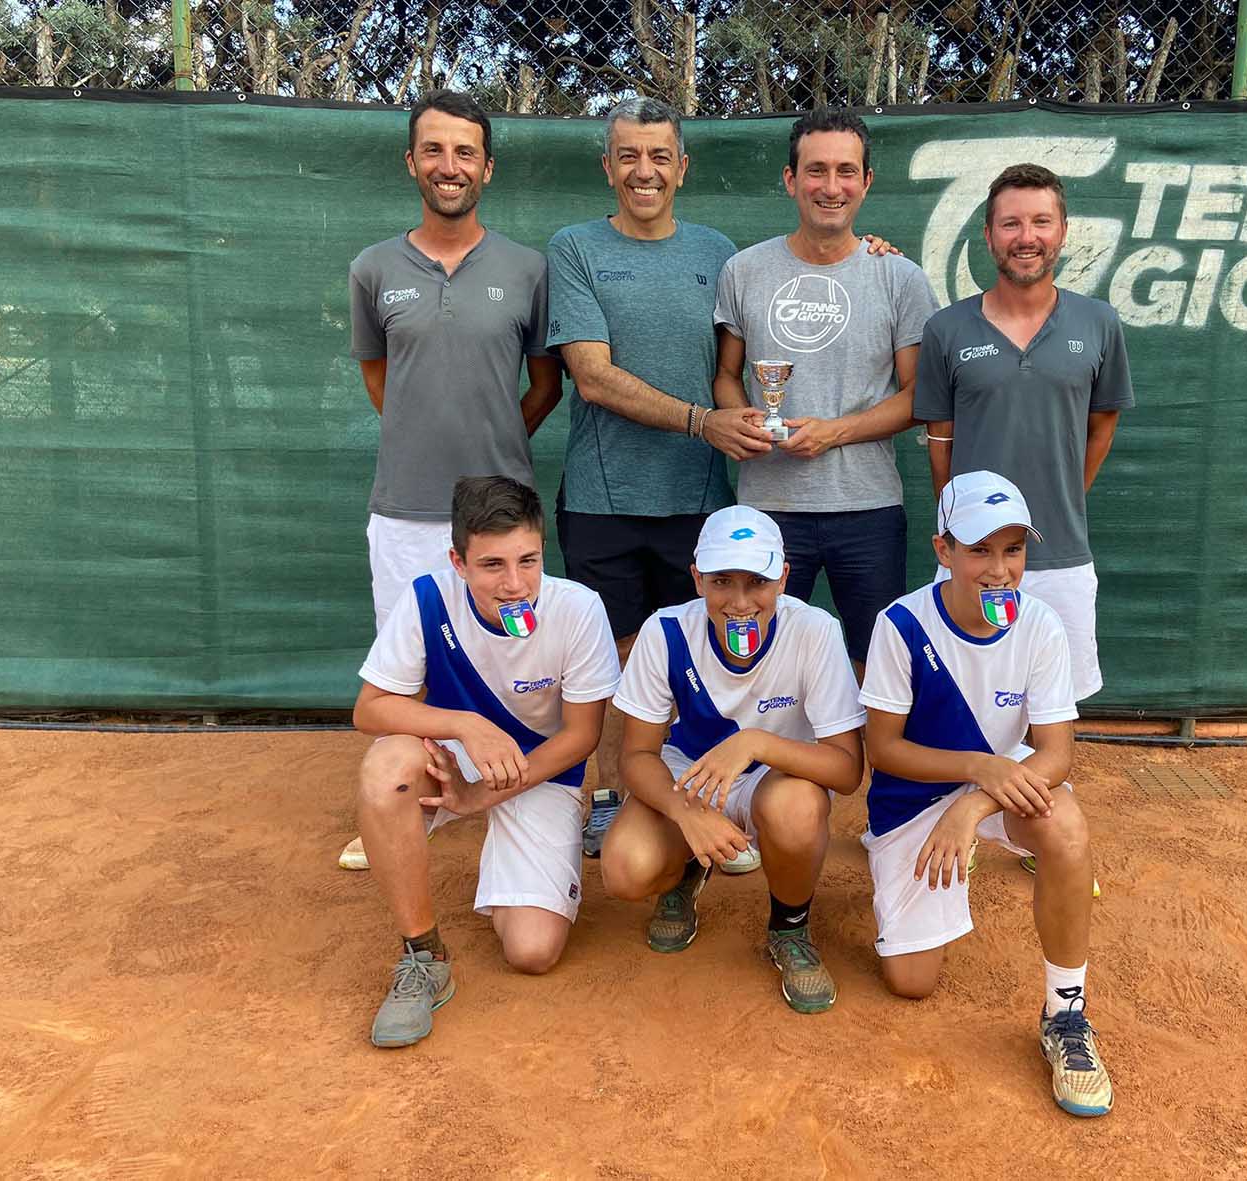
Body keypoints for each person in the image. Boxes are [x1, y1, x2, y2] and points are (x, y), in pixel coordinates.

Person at [543, 96, 771, 871]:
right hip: (602, 499)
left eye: (660, 156)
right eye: (630, 156)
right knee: (613, 657)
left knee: (700, 656)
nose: (645, 171)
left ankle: (706, 799)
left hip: (700, 502)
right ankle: (613, 799)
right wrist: (703, 422)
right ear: (608, 167)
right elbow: (592, 377)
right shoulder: (574, 248)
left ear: (682, 167)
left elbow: (750, 352)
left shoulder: (719, 253)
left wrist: (870, 252)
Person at [342, 89, 563, 871]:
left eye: (465, 151)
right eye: (434, 150)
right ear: (412, 161)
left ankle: (521, 790)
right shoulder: (373, 269)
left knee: (515, 652)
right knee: (408, 665)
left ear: (487, 168)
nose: (450, 165)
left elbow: (545, 385)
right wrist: (426, 437)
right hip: (404, 509)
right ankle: (416, 798)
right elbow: (381, 382)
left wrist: (493, 446)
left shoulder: (528, 269)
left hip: (501, 513)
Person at [859, 471, 1112, 1116]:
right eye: (979, 550)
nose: (999, 570)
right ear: (943, 550)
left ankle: (1065, 1015)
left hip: (993, 786)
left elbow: (1056, 754)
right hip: (916, 796)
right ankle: (897, 859)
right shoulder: (900, 624)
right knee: (911, 983)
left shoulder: (1042, 622)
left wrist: (974, 803)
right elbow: (882, 749)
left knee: (1065, 827)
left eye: (1013, 550)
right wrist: (978, 768)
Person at [351, 477, 619, 1048]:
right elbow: (370, 709)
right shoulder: (427, 597)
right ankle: (424, 956)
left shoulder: (578, 608)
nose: (515, 583)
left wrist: (483, 798)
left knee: (532, 951)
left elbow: (582, 737)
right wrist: (465, 726)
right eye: (492, 564)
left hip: (539, 770)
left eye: (529, 560)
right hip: (455, 757)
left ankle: (512, 863)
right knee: (386, 770)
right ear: (459, 562)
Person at [599, 506, 866, 1014]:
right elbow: (637, 754)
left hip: (776, 778)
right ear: (697, 578)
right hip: (691, 775)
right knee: (626, 869)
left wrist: (756, 743)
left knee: (797, 808)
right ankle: (687, 868)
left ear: (783, 578)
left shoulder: (814, 630)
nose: (740, 602)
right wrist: (686, 813)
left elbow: (847, 770)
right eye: (722, 581)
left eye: (757, 581)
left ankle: (789, 927)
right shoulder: (666, 631)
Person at [712, 109, 938, 667]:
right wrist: (742, 421)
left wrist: (834, 433)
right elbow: (726, 376)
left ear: (866, 181)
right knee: (759, 662)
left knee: (876, 663)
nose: (831, 187)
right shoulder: (744, 270)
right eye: (816, 170)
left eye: (846, 171)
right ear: (791, 179)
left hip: (867, 507)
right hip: (767, 508)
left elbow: (919, 396)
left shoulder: (899, 277)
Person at [914, 163, 1134, 702]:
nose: (1026, 237)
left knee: (1055, 707)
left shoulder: (1099, 322)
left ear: (1063, 232)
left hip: (1062, 557)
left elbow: (1102, 426)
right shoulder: (946, 329)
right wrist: (959, 520)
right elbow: (940, 438)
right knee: (966, 701)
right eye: (1011, 224)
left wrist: (1063, 497)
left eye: (1040, 222)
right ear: (989, 235)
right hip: (972, 559)